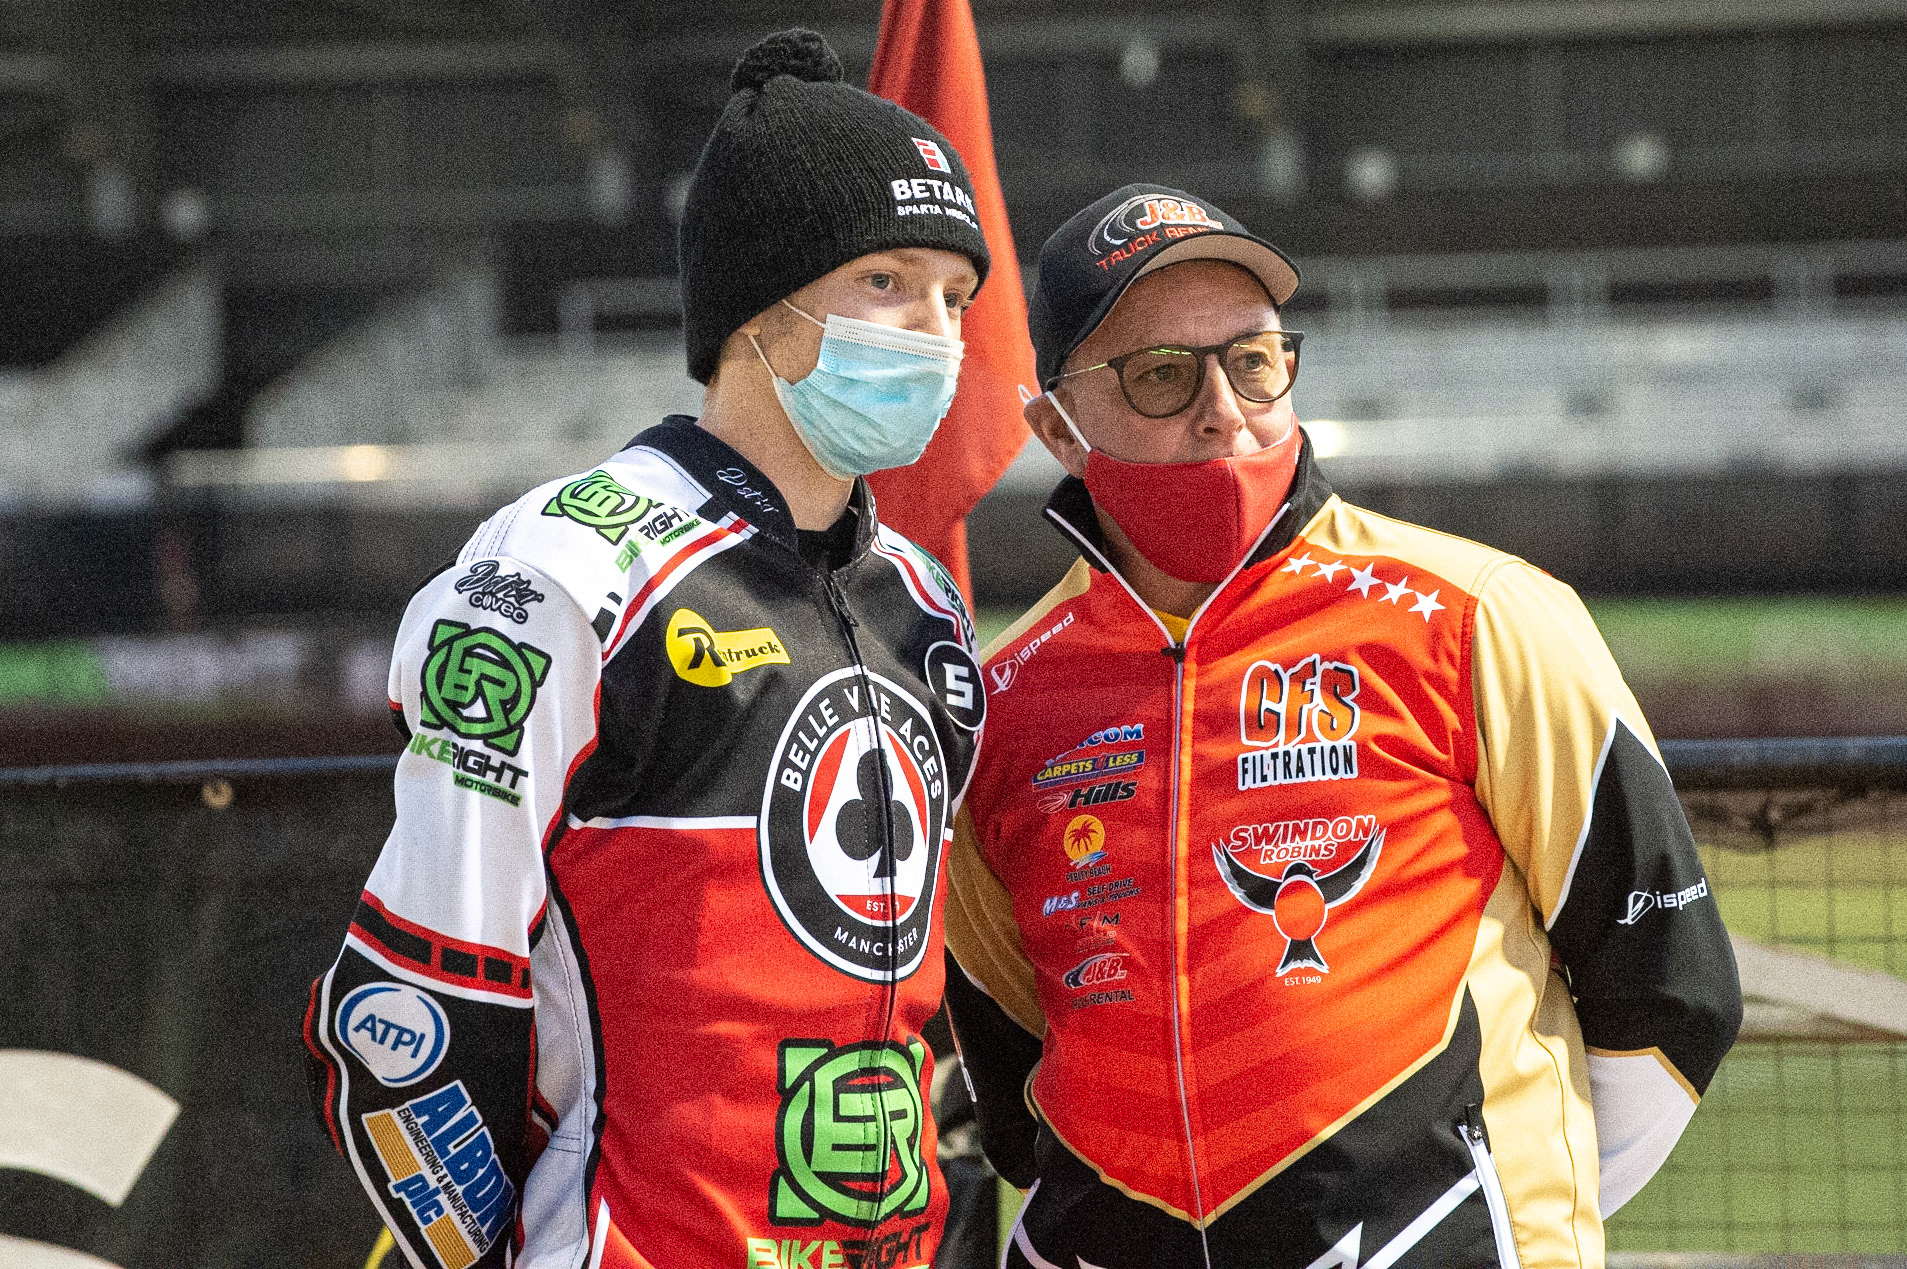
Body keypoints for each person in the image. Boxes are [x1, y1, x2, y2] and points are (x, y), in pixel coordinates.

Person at [941, 184, 1743, 1269]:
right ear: (1055, 426)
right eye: (1163, 376)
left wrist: (1486, 1225)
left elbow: (1667, 990)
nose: (1223, 409)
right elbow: (1010, 1054)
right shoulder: (994, 702)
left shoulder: (1476, 614)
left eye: (1254, 360)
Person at [304, 30, 996, 1269]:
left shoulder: (927, 611)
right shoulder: (564, 571)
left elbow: (929, 1037)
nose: (936, 333)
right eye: (887, 281)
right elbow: (407, 1016)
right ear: (756, 306)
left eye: (956, 294)